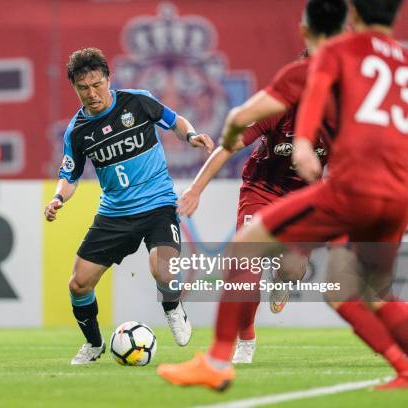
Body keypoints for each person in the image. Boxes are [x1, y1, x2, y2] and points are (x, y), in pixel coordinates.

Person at [158, 0, 408, 391]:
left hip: (353, 188)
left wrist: (302, 142)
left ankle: (217, 361)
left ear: (353, 18)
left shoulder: (330, 57)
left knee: (246, 247)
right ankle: (402, 366)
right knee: (357, 290)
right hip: (396, 194)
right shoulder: (400, 63)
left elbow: (240, 118)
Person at [176, 0, 347, 364]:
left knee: (292, 268)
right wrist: (195, 189)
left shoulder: (340, 113)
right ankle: (246, 340)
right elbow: (228, 146)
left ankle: (284, 281)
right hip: (262, 190)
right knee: (245, 268)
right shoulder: (278, 107)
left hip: (305, 198)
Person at [44, 47, 214, 364]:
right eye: (83, 88)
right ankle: (94, 345)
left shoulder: (137, 101)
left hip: (158, 205)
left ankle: (172, 305)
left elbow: (174, 121)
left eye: (97, 85)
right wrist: (57, 198)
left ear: (108, 79)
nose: (92, 94)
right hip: (115, 214)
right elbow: (69, 175)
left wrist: (191, 136)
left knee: (161, 269)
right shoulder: (78, 131)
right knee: (78, 284)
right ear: (75, 88)